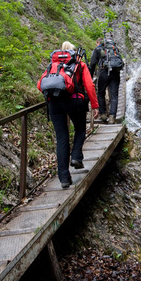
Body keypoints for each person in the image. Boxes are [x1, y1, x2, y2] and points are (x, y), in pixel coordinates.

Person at [42, 41, 99, 188]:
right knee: (80, 129)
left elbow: (42, 84)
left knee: (62, 138)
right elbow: (90, 85)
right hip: (75, 101)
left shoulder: (53, 65)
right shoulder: (79, 64)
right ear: (73, 52)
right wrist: (95, 105)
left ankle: (64, 178)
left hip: (54, 102)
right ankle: (76, 156)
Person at [90, 36, 121, 124]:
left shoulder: (98, 49)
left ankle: (103, 114)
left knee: (101, 93)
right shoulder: (114, 49)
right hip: (115, 72)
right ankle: (112, 116)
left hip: (103, 72)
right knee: (114, 95)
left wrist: (90, 76)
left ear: (98, 43)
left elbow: (92, 63)